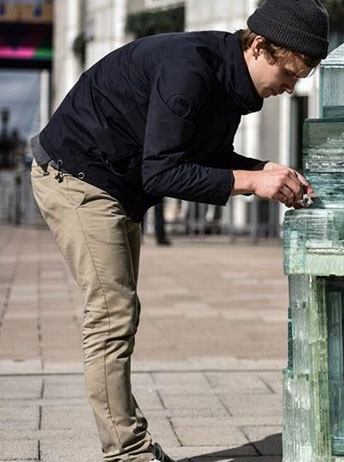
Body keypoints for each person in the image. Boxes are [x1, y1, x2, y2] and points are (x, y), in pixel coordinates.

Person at [29, 1, 328, 461]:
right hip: (77, 177)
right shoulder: (189, 70)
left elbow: (198, 156)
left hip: (115, 185)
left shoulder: (226, 78)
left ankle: (130, 441)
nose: (289, 89)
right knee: (112, 315)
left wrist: (264, 168)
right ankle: (128, 453)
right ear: (260, 47)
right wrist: (252, 181)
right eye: (289, 75)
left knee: (120, 314)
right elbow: (162, 173)